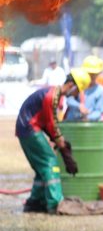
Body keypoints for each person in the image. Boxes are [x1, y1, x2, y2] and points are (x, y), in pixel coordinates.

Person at [16, 69, 88, 213]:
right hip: (30, 130)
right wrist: (62, 145)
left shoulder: (53, 93)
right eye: (77, 91)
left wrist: (59, 141)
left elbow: (48, 122)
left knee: (41, 167)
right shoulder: (52, 96)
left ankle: (35, 201)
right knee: (50, 162)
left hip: (25, 129)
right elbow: (51, 123)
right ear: (72, 85)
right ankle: (55, 203)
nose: (76, 94)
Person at [64, 56, 103, 122]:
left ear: (98, 74)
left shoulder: (101, 91)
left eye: (94, 74)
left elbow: (99, 111)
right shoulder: (77, 85)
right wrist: (78, 106)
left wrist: (87, 118)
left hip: (90, 125)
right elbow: (69, 100)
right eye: (89, 73)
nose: (92, 76)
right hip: (72, 123)